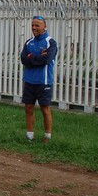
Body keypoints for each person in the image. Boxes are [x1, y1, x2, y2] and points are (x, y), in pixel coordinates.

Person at [20, 15, 58, 143]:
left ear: (44, 26)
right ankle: (29, 136)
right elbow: (23, 59)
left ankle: (47, 136)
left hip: (44, 81)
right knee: (28, 108)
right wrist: (36, 58)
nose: (34, 28)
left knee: (45, 109)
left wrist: (32, 58)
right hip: (29, 81)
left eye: (37, 25)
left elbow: (47, 60)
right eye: (32, 25)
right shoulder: (29, 42)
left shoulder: (50, 42)